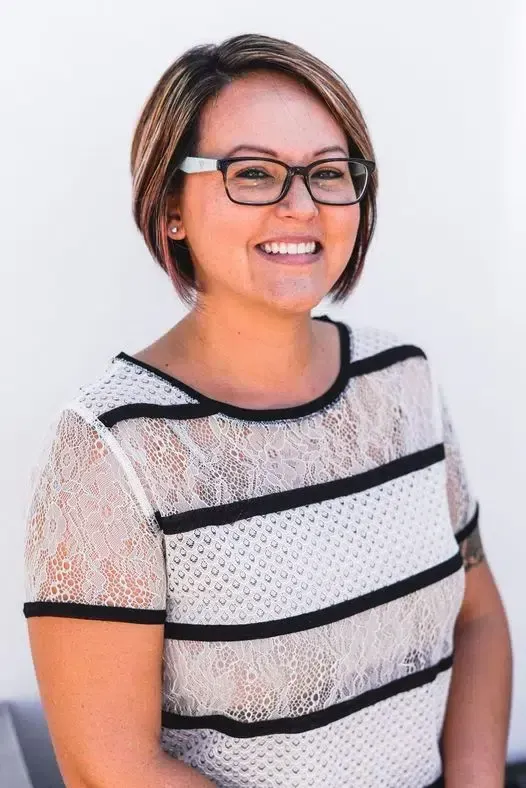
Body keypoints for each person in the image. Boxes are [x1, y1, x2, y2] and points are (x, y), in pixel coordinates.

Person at [23, 32, 512, 788]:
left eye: (328, 172)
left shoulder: (403, 383)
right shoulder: (112, 448)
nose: (301, 205)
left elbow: (477, 619)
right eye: (253, 173)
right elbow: (108, 767)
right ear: (171, 208)